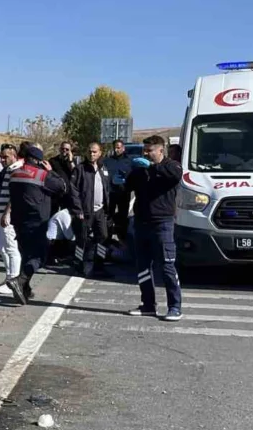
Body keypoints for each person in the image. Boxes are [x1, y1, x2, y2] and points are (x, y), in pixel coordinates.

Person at [125, 135, 183, 321]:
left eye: (150, 150)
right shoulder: (141, 170)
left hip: (162, 223)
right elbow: (127, 188)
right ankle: (148, 304)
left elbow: (174, 176)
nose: (147, 154)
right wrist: (130, 172)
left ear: (160, 150)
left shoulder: (171, 166)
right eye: (145, 151)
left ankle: (175, 306)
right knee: (142, 266)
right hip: (141, 222)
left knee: (167, 265)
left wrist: (152, 167)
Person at [6, 143, 68, 304]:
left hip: (19, 221)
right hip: (37, 222)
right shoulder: (42, 175)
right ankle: (20, 280)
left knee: (26, 254)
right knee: (39, 256)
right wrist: (50, 171)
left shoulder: (14, 174)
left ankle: (24, 290)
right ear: (38, 160)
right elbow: (62, 187)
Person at [70, 141, 112, 277]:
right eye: (89, 151)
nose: (91, 154)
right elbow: (73, 190)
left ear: (100, 153)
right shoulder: (80, 169)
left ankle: (99, 265)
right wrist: (78, 210)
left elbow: (107, 188)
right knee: (82, 239)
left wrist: (107, 208)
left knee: (103, 237)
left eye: (94, 152)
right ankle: (78, 264)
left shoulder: (103, 169)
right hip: (84, 211)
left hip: (100, 211)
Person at [0, 143, 22, 296]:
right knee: (1, 244)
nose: (3, 160)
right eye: (1, 157)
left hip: (10, 215)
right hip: (3, 212)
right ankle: (9, 278)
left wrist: (7, 213)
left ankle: (13, 281)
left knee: (11, 247)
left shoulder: (17, 170)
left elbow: (15, 194)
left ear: (14, 156)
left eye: (6, 157)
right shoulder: (8, 170)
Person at [103, 139, 133, 249]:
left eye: (119, 147)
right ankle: (108, 239)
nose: (117, 150)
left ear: (123, 148)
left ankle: (122, 239)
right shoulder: (107, 161)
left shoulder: (129, 161)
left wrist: (126, 181)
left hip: (123, 193)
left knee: (123, 217)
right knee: (108, 216)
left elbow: (133, 177)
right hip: (110, 193)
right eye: (115, 147)